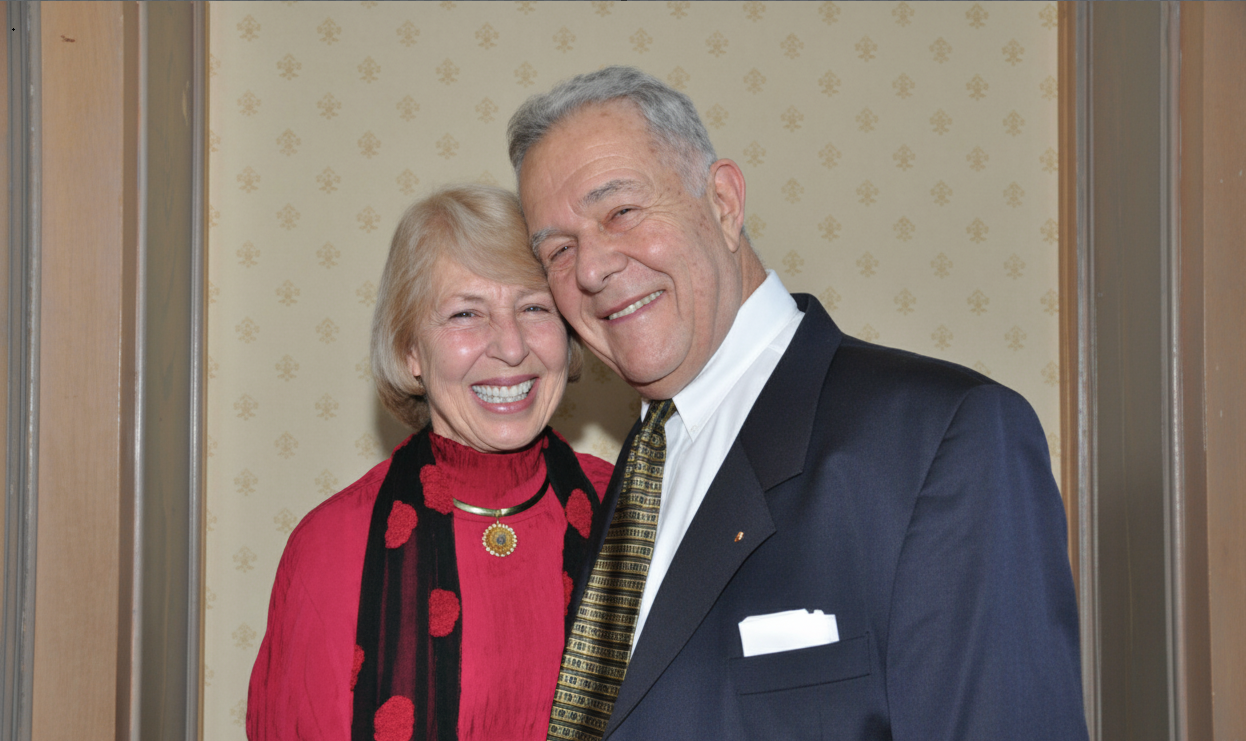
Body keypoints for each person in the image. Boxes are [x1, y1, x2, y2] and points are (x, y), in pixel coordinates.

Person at [508, 66, 1089, 740]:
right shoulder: (631, 481)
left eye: (621, 212)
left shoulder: (940, 439)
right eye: (559, 249)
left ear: (724, 203)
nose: (591, 268)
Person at [246, 185, 615, 741]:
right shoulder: (333, 545)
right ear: (409, 352)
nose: (511, 347)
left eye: (534, 307)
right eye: (466, 313)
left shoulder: (634, 512)